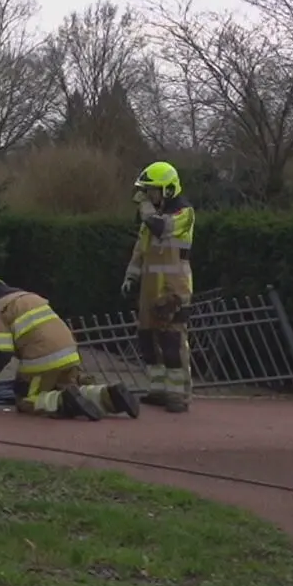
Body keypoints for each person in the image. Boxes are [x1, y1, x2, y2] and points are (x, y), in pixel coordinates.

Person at [0, 275, 139, 421]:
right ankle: (110, 395)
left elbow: (2, 352)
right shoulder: (28, 297)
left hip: (41, 359)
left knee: (26, 400)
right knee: (74, 389)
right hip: (70, 353)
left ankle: (63, 401)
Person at [122, 161, 196, 413]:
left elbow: (162, 229)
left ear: (167, 189)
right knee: (147, 340)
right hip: (150, 287)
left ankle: (178, 396)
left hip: (175, 287)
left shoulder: (184, 213)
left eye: (152, 190)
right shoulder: (149, 219)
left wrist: (144, 207)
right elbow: (140, 251)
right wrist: (130, 278)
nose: (149, 195)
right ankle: (158, 389)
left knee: (172, 341)